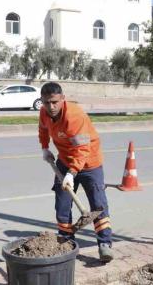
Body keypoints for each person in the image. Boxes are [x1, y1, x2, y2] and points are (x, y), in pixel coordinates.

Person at [38, 82, 114, 262]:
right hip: (64, 160)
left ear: (63, 99)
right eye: (47, 102)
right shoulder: (44, 112)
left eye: (55, 102)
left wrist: (71, 174)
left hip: (89, 162)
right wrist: (45, 147)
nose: (51, 107)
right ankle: (66, 242)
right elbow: (43, 129)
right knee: (62, 204)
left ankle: (104, 244)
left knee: (98, 204)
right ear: (42, 101)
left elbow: (82, 149)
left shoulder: (74, 116)